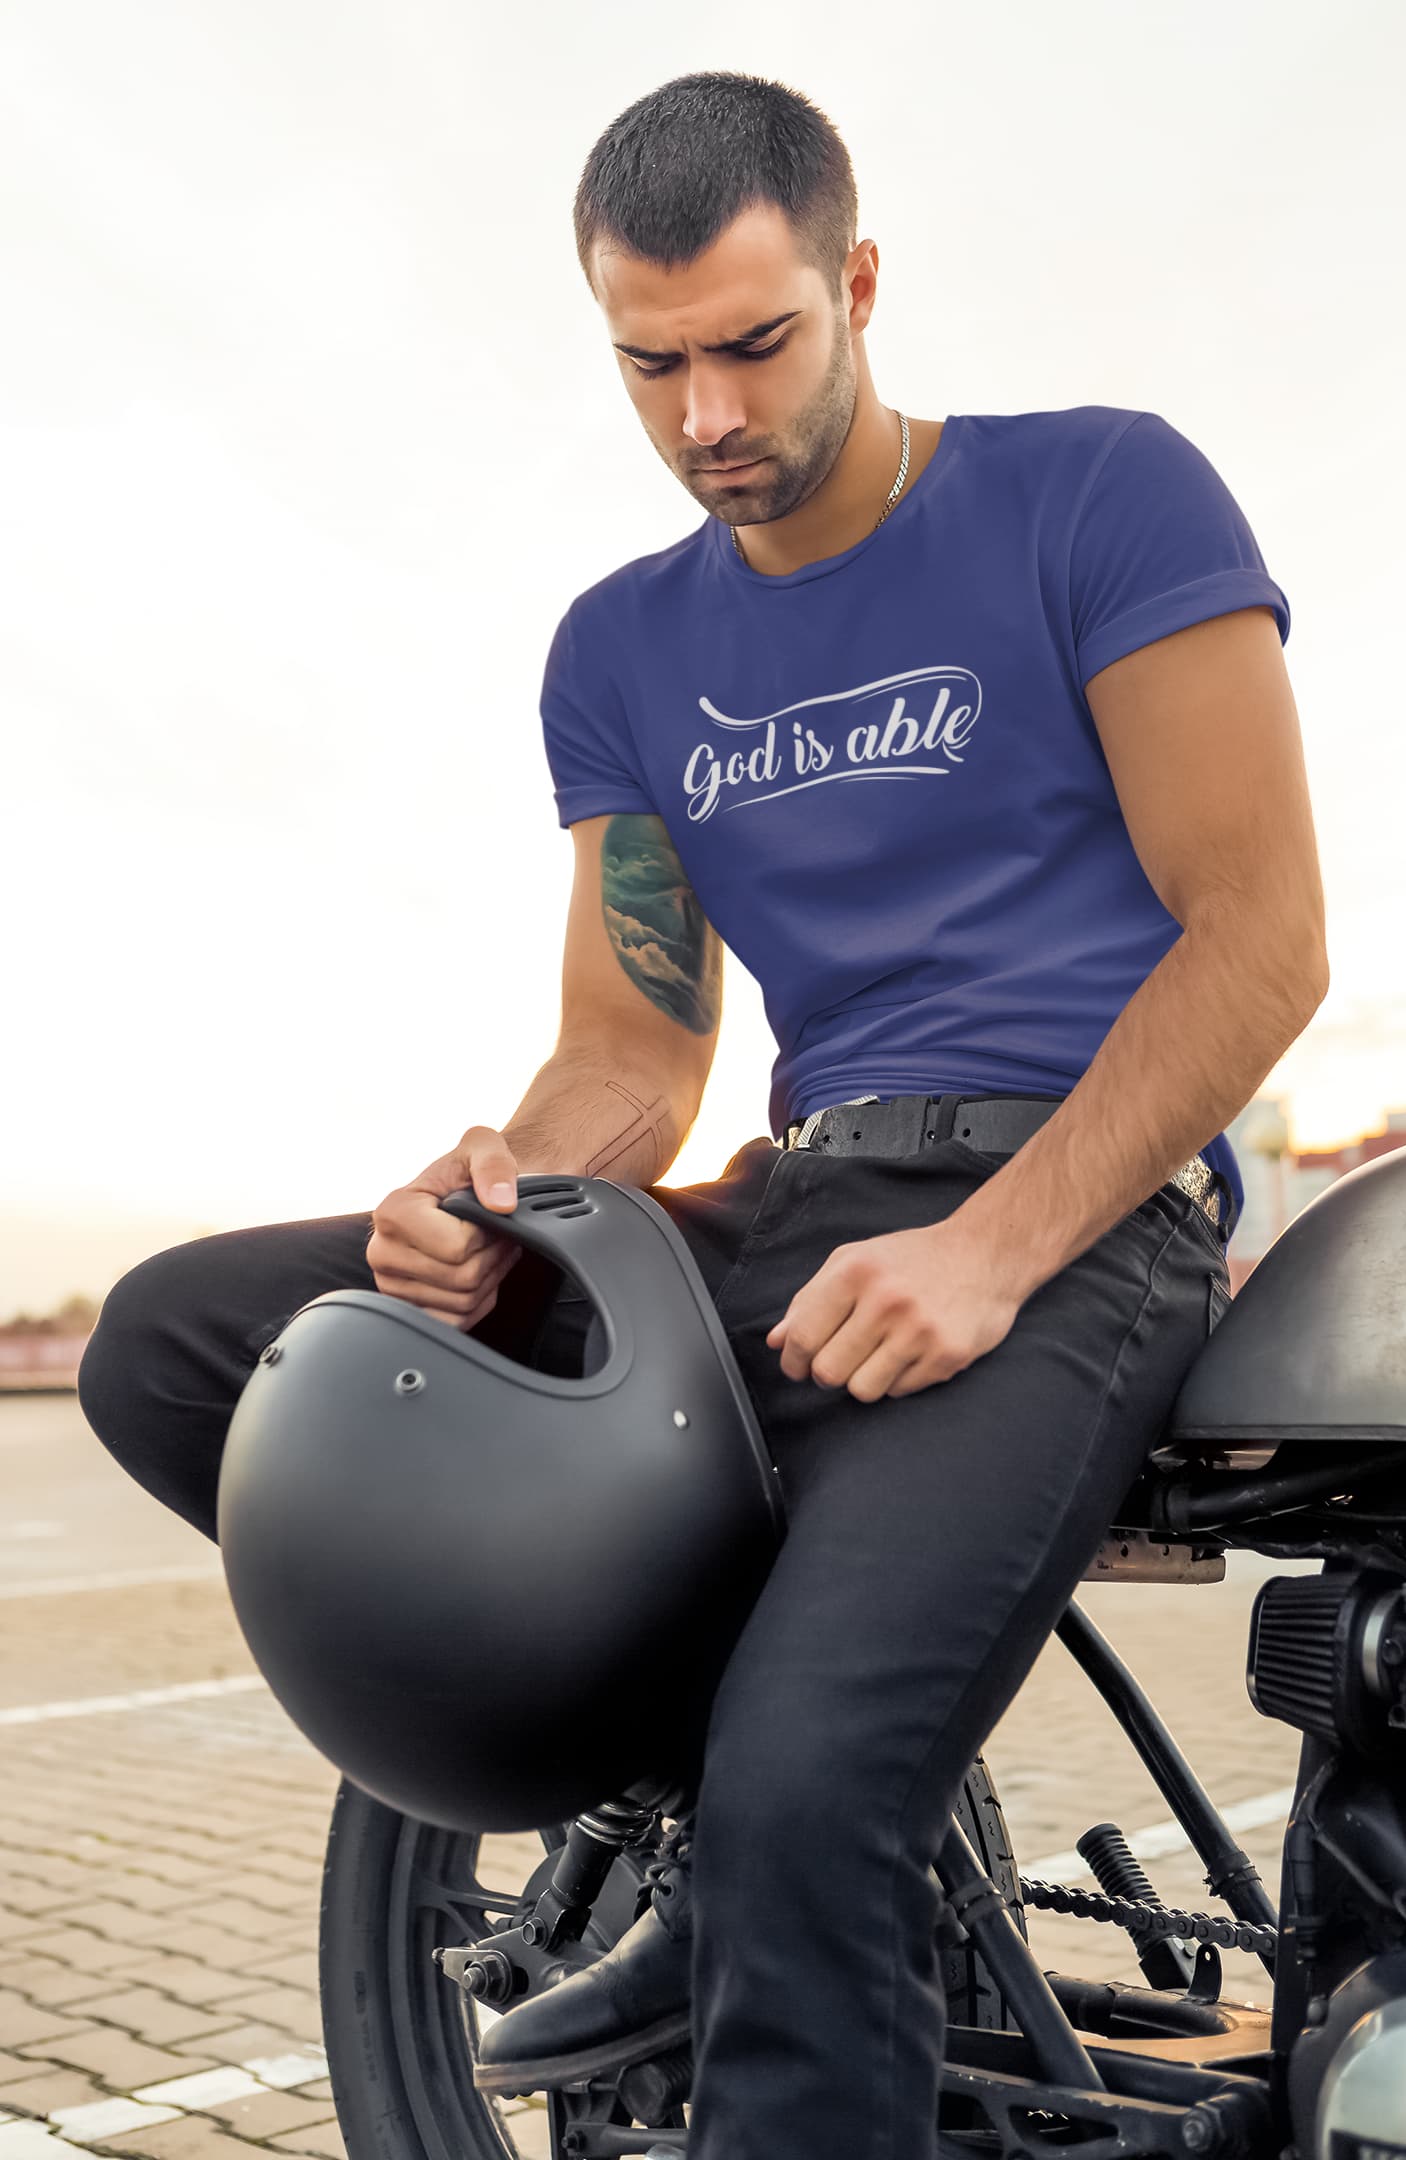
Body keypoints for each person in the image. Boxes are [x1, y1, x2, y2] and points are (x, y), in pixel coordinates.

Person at [77, 66, 1328, 2160]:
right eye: (647, 364)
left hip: (1060, 1223)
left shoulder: (1104, 495)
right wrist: (505, 1195)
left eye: (754, 344)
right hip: (784, 1209)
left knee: (817, 1790)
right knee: (189, 1351)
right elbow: (640, 1046)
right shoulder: (624, 650)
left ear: (855, 281)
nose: (706, 417)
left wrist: (993, 1245)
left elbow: (1262, 940)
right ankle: (679, 1803)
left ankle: (765, 1844)